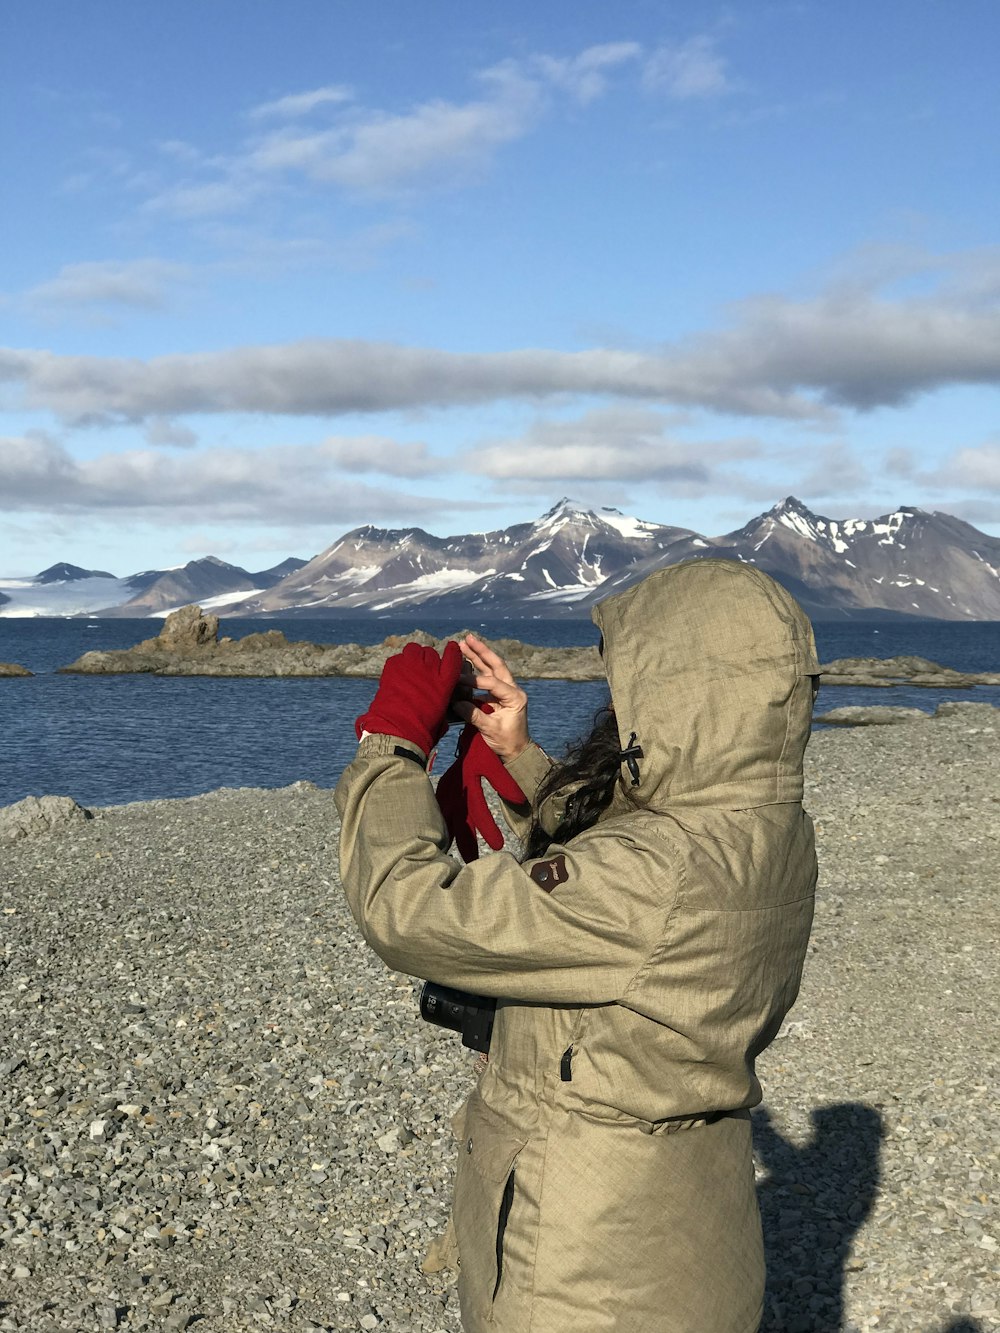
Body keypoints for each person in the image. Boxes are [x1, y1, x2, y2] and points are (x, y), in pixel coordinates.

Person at [334, 559, 819, 1333]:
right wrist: (524, 757)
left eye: (634, 685)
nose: (622, 703)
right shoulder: (771, 828)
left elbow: (407, 908)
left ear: (685, 691)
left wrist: (389, 745)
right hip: (693, 1234)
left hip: (584, 1260)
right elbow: (633, 864)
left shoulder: (654, 872)